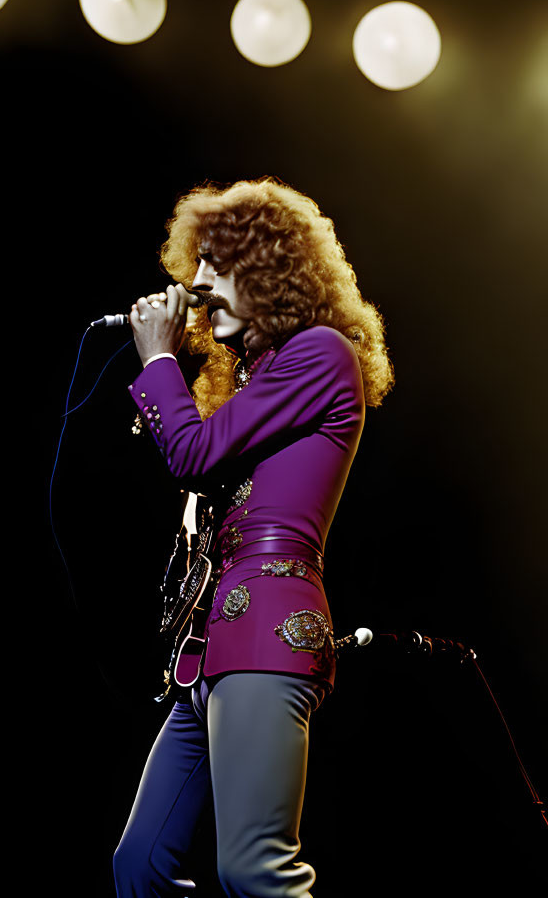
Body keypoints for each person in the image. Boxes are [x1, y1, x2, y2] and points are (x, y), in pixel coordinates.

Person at [113, 177, 393, 897]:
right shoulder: (259, 380)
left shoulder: (321, 352)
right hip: (209, 646)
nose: (196, 285)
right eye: (195, 265)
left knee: (253, 868)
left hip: (267, 626)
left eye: (216, 263)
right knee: (138, 866)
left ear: (270, 271)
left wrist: (155, 361)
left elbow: (195, 453)